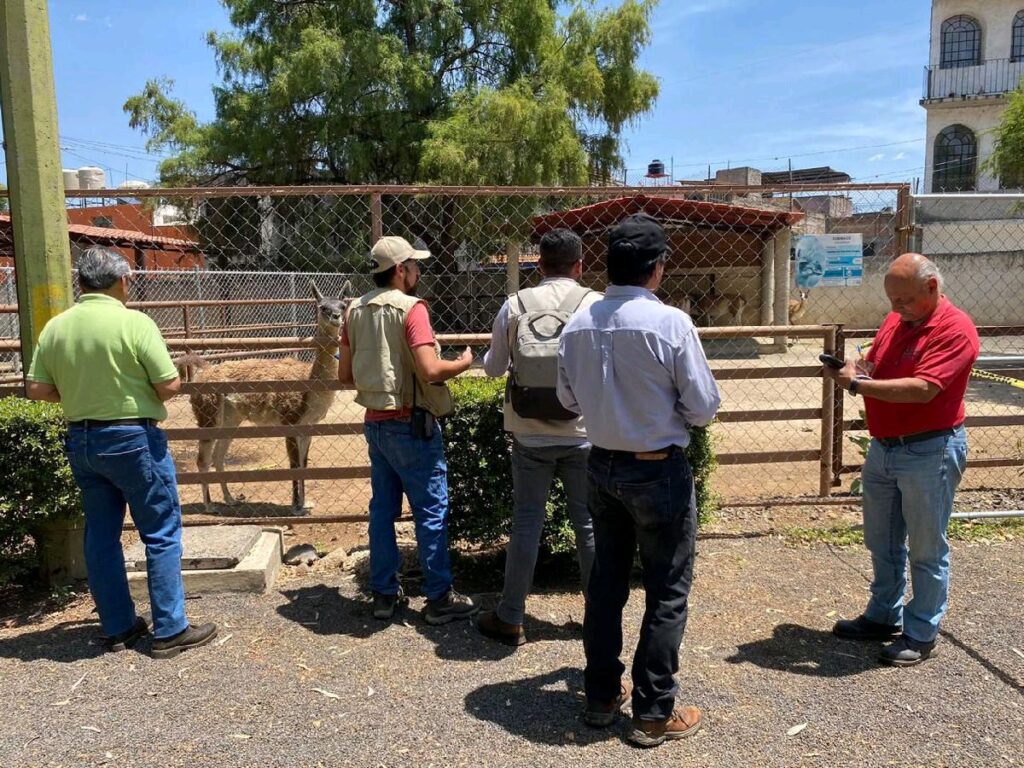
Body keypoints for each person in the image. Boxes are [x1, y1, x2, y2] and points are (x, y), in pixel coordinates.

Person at [557, 213, 721, 748]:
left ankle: (602, 695)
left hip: (600, 464)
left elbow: (567, 400)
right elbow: (702, 407)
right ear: (657, 267)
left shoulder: (579, 323)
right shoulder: (672, 323)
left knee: (605, 583)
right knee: (667, 588)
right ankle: (653, 712)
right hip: (656, 468)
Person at [25, 247, 217, 659]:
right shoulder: (135, 322)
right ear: (122, 280)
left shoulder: (56, 327)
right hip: (133, 438)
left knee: (101, 536)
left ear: (81, 282)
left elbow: (37, 389)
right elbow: (168, 384)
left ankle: (118, 625)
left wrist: (78, 394)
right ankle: (169, 629)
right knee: (161, 532)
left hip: (82, 440)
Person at [825, 253, 978, 667]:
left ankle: (922, 630)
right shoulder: (898, 320)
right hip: (886, 448)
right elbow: (876, 357)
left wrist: (855, 385)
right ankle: (882, 616)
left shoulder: (955, 329)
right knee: (882, 539)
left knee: (926, 548)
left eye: (905, 299)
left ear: (932, 287)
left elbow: (923, 388)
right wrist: (860, 364)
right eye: (892, 299)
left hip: (930, 449)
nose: (896, 308)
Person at [337, 235, 478, 625]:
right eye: (415, 265)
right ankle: (439, 598)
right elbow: (431, 370)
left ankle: (383, 594)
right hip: (411, 424)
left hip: (375, 424)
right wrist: (463, 362)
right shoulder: (413, 309)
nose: (418, 271)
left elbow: (344, 373)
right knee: (430, 511)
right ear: (401, 270)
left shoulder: (354, 310)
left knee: (382, 511)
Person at [476, 229, 601, 647]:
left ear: (539, 264)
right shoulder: (595, 305)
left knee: (527, 522)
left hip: (529, 434)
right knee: (587, 523)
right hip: (583, 430)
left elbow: (494, 369)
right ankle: (599, 616)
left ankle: (511, 616)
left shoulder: (515, 305)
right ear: (580, 266)